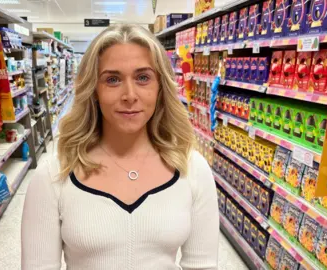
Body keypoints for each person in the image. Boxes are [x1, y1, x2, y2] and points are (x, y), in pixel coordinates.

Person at [21, 24, 219, 270]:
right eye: (112, 79)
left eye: (143, 78)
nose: (129, 94)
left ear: (161, 88)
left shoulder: (192, 169)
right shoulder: (54, 175)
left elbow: (202, 266)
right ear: (93, 89)